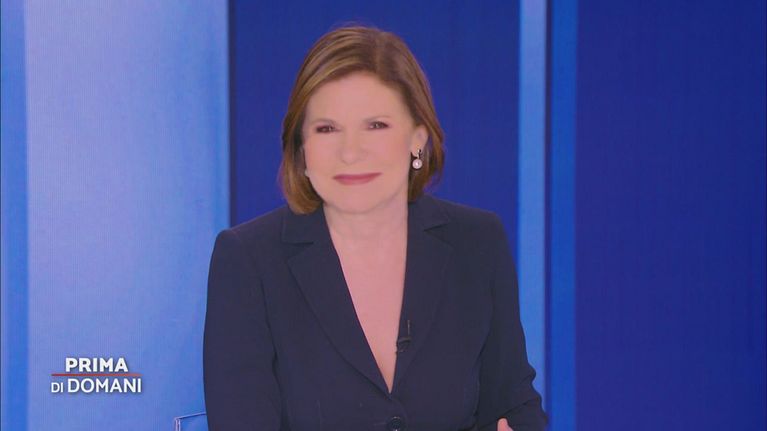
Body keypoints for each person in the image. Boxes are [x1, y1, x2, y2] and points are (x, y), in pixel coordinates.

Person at [203, 25, 547, 431]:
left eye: (376, 125)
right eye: (327, 129)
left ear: (417, 138)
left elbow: (515, 408)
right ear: (302, 149)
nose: (351, 152)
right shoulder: (248, 261)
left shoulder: (477, 243)